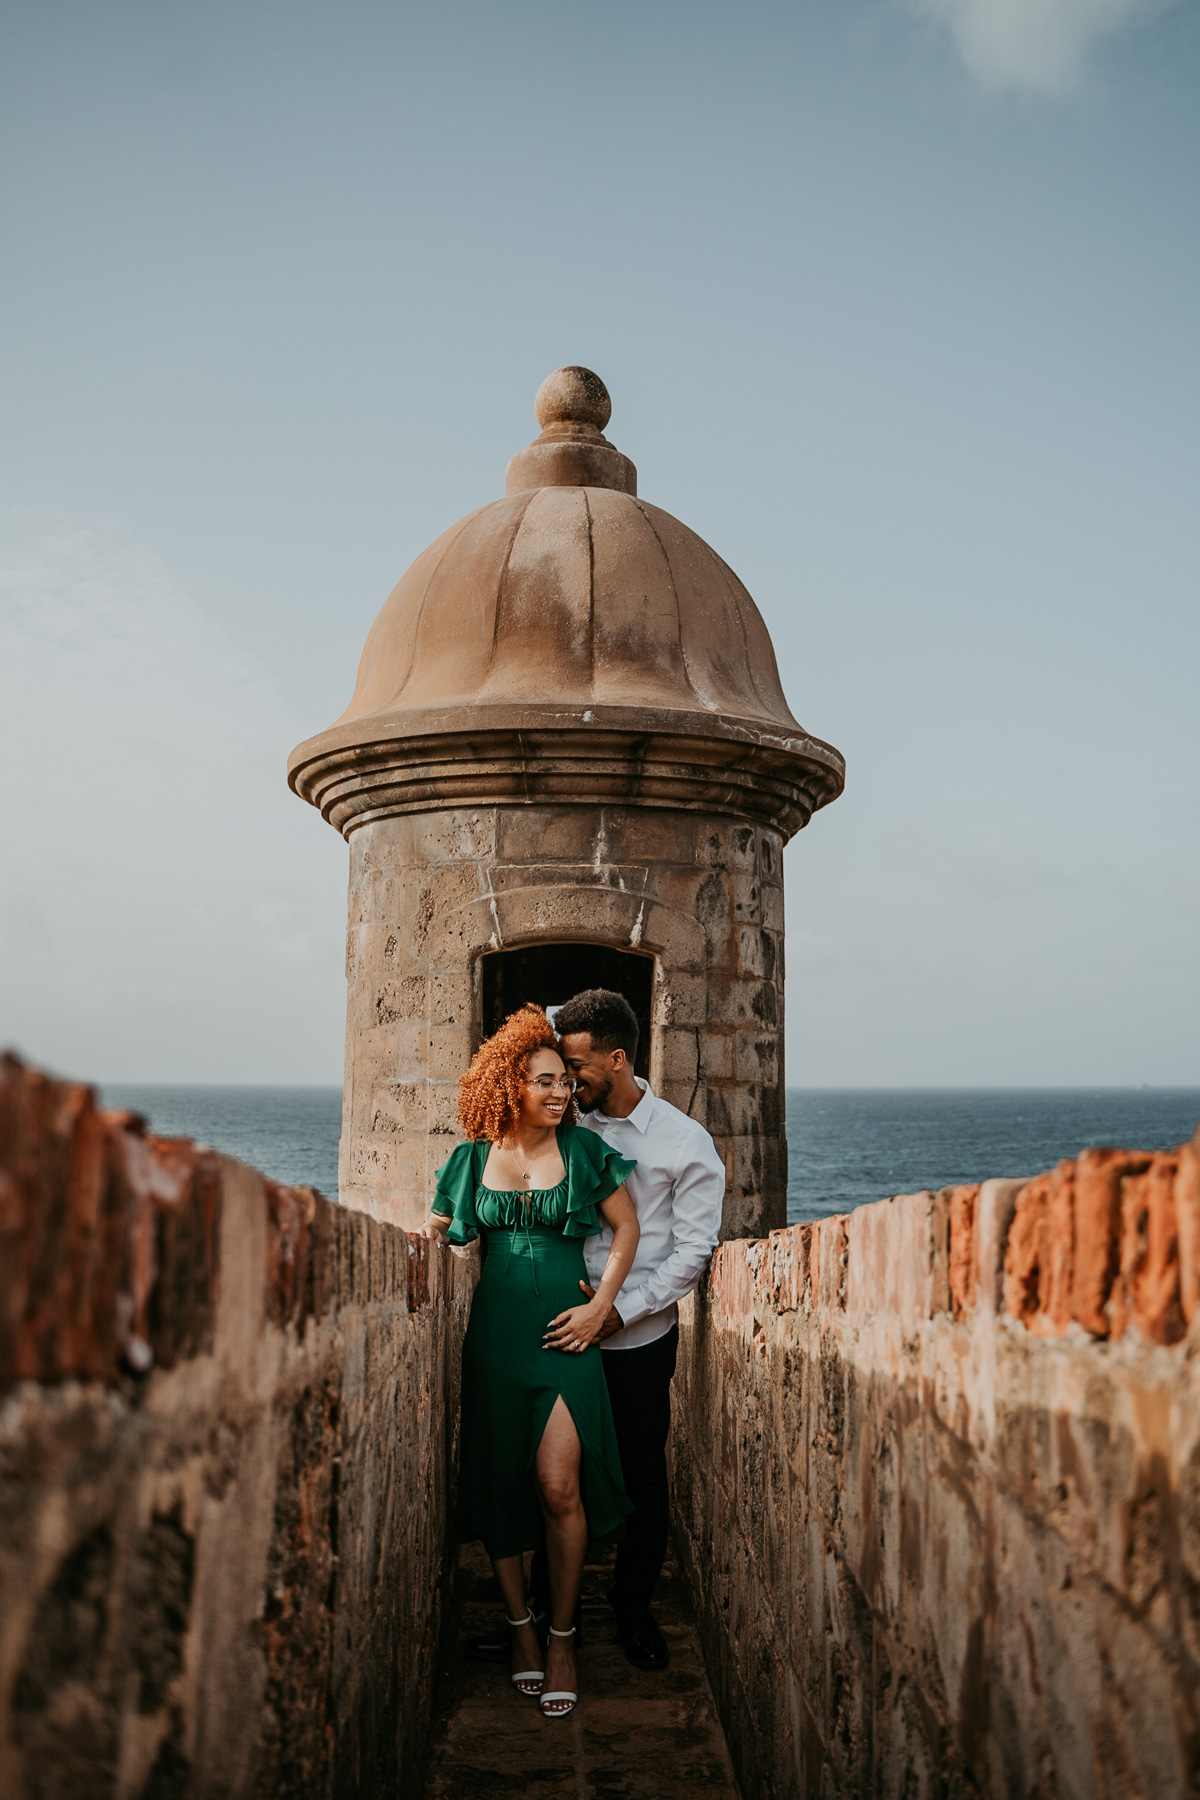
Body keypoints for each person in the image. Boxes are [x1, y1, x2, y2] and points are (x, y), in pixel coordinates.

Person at [419, 1004, 640, 1719]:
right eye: (545, 1082)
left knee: (558, 1487)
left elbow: (626, 1225)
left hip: (567, 1338)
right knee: (500, 1484)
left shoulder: (583, 1153)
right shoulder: (472, 1158)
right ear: (508, 1085)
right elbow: (440, 1231)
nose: (561, 1094)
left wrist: (602, 1306)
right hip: (496, 1338)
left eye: (565, 1084)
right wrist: (423, 1242)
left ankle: (564, 1637)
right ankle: (520, 1632)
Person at [556, 987, 726, 1671]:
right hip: (562, 1329)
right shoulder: (567, 1122)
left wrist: (616, 1310)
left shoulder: (685, 1143)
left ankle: (632, 1609)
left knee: (641, 1479)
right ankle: (545, 1609)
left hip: (638, 1337)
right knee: (555, 1472)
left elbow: (691, 1253)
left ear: (619, 1058)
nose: (570, 1081)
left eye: (579, 1067)